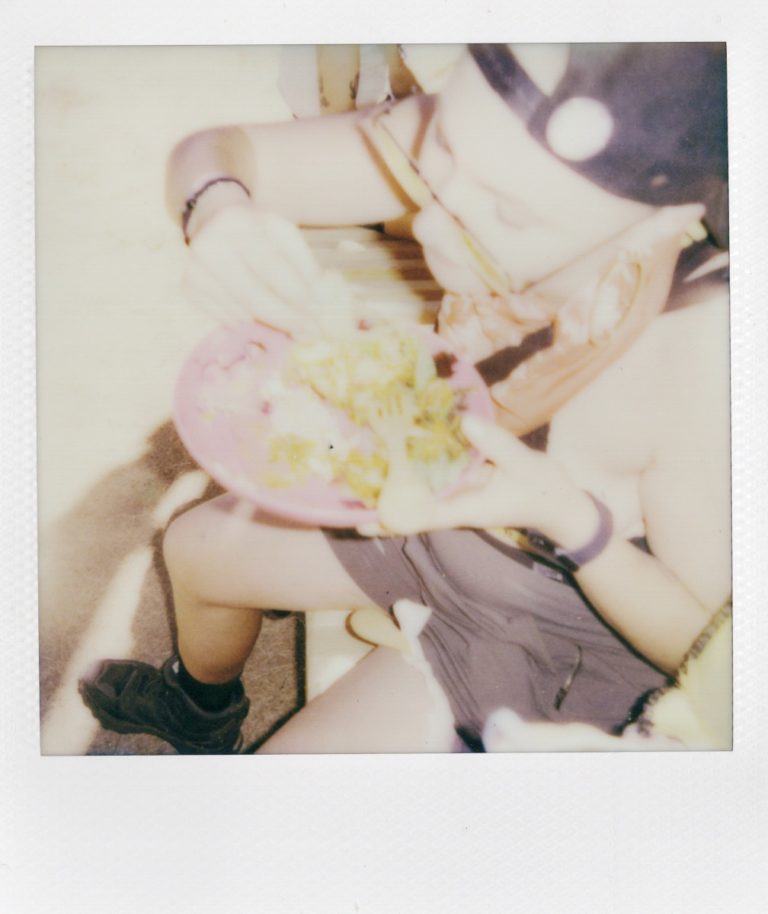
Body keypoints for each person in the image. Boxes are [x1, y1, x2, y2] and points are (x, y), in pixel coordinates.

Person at [79, 43, 731, 753]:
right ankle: (199, 710)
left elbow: (713, 658)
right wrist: (217, 211)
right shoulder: (497, 148)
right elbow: (216, 151)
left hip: (554, 624)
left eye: (509, 216)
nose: (427, 223)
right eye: (442, 148)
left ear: (660, 222)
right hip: (437, 512)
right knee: (194, 550)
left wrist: (568, 518)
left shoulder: (705, 356)